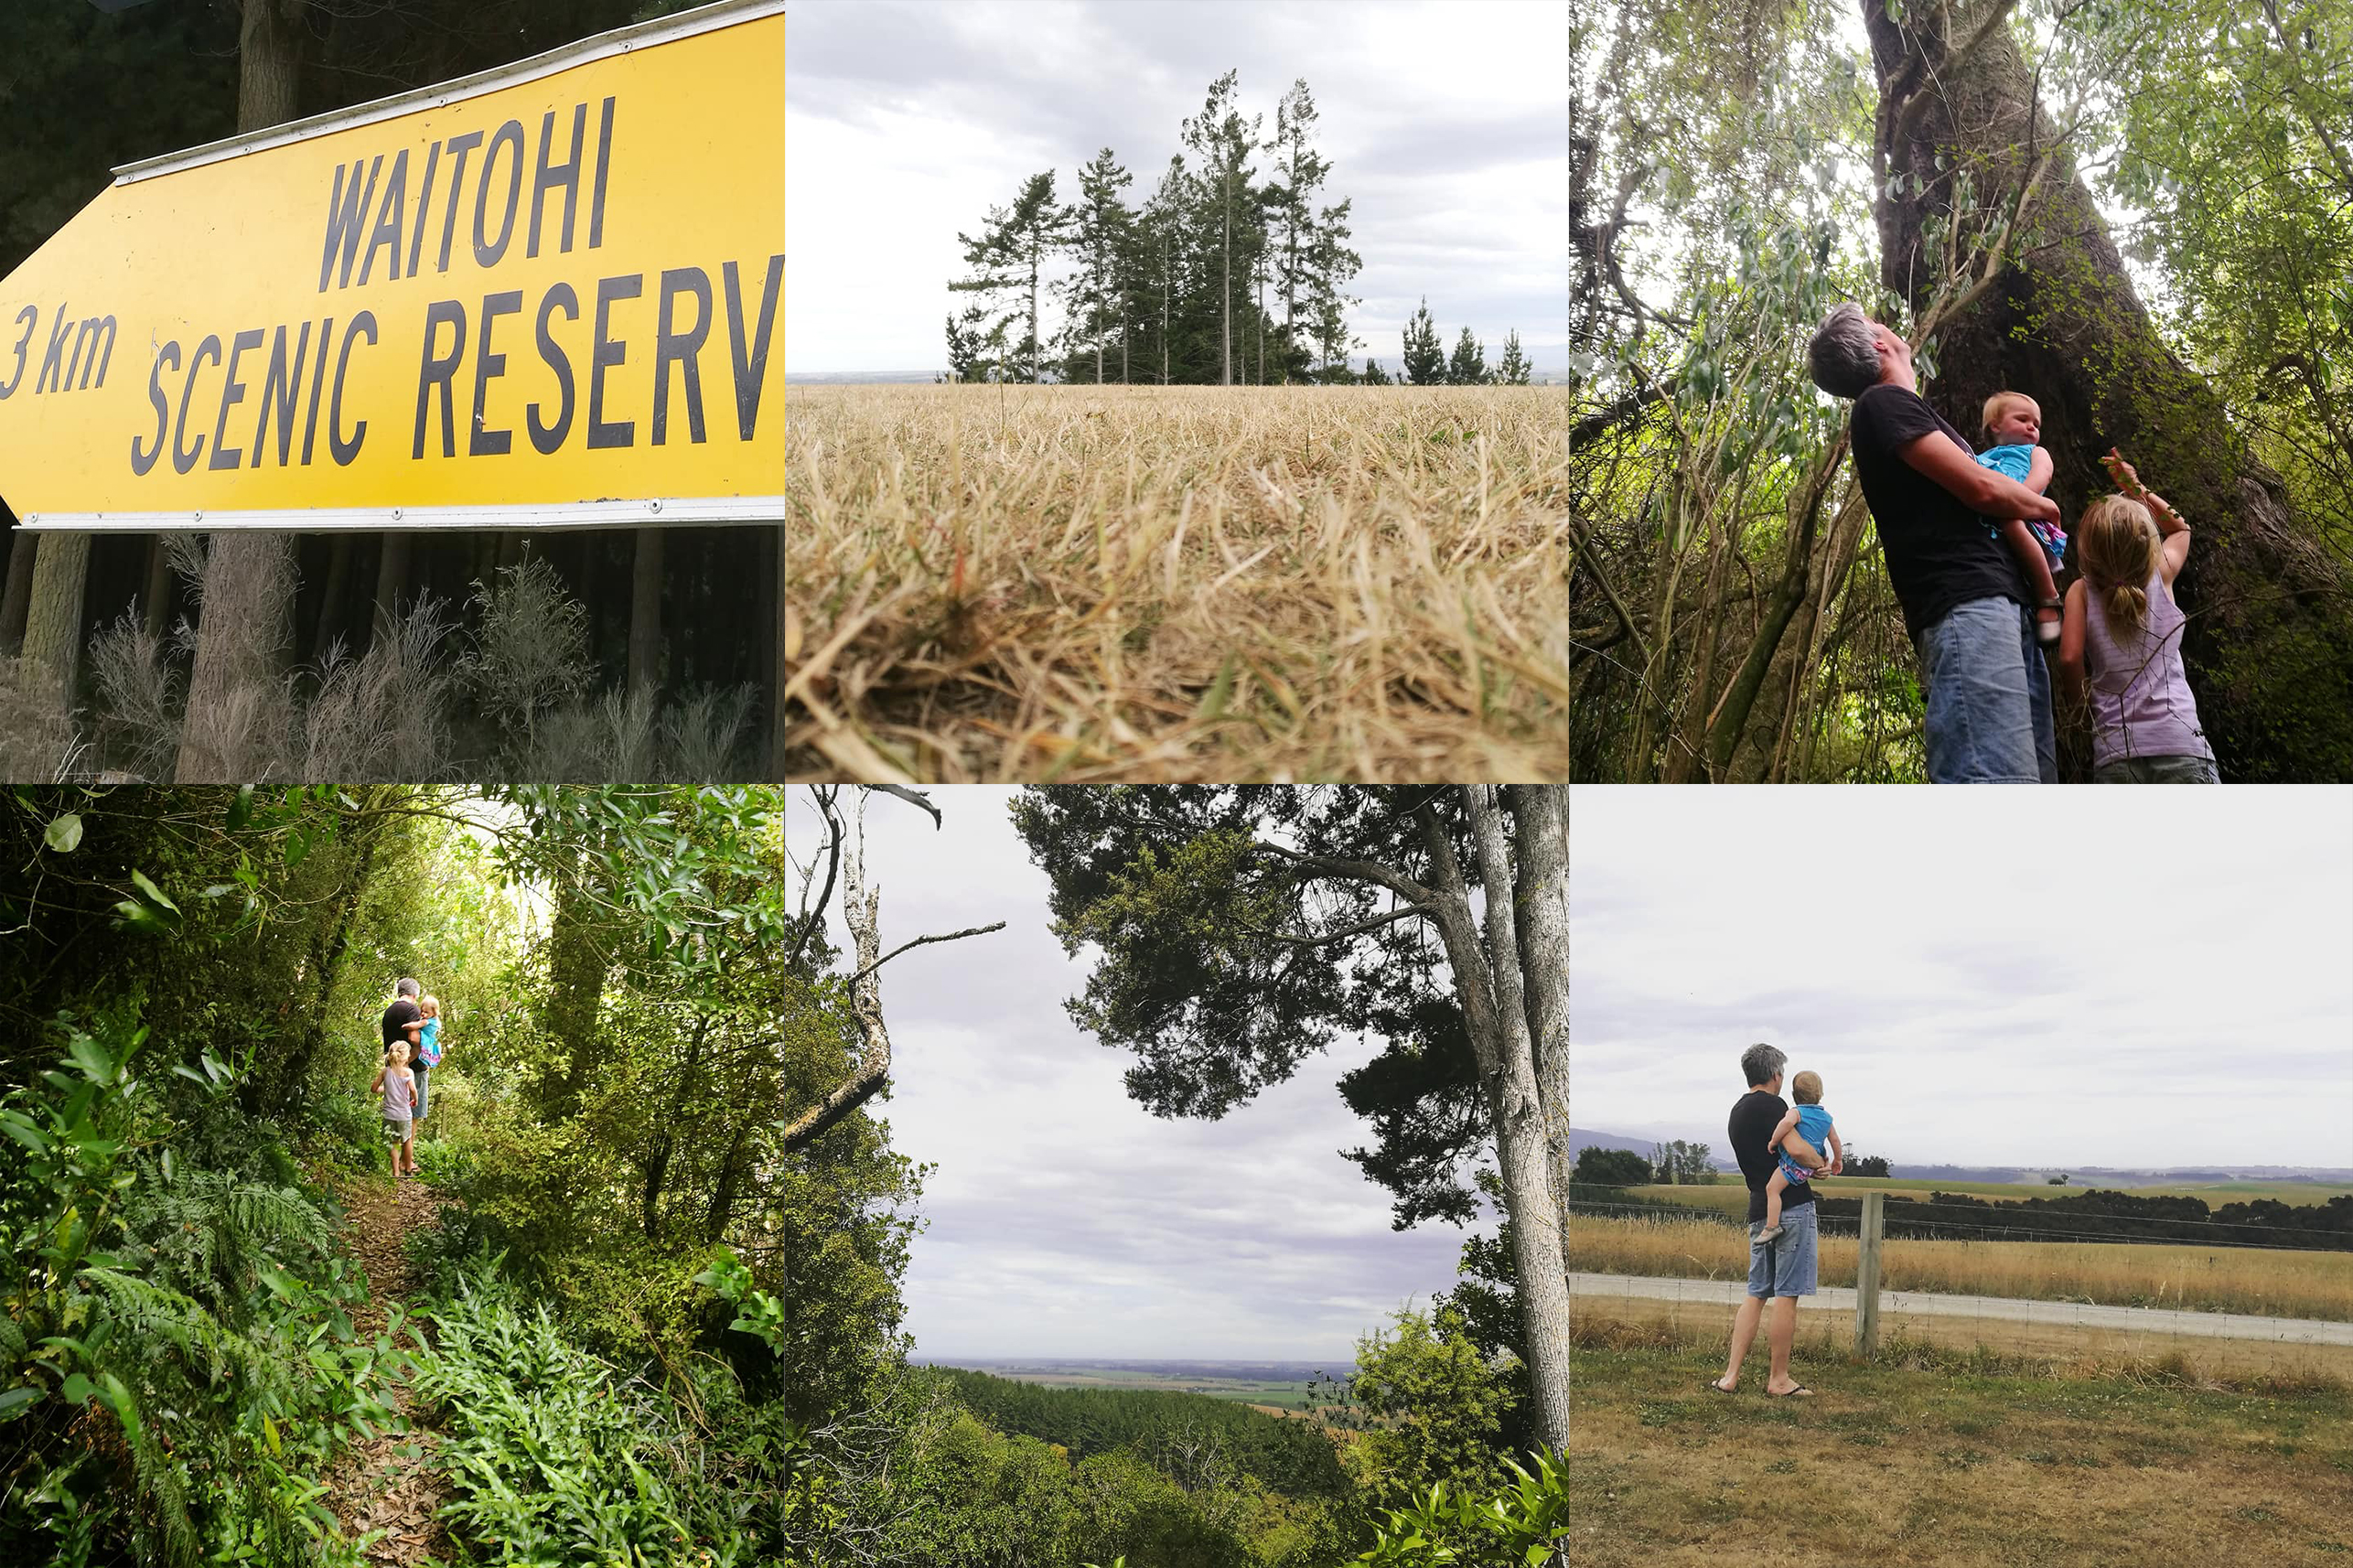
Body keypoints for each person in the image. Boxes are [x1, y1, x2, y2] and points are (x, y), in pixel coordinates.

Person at [1807, 303, 2065, 782]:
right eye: (1877, 324)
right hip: (1967, 608)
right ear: (1879, 343)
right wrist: (2042, 506)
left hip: (2001, 607)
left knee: (2031, 779)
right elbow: (1983, 489)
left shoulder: (1907, 410)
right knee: (1996, 778)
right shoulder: (1882, 404)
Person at [2057, 455, 2219, 782]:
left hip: (2116, 751)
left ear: (2087, 548)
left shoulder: (2081, 592)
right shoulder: (2161, 575)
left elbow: (2070, 657)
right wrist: (2136, 488)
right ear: (2147, 545)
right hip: (2181, 741)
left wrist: (2082, 713)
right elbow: (2181, 528)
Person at [1711, 1043, 1836, 1399]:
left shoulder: (1737, 1112)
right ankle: (1779, 1379)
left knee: (1756, 1293)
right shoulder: (1776, 1106)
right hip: (1793, 1209)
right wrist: (1820, 1165)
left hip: (1758, 1209)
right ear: (1776, 1074)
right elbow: (1797, 1149)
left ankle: (1731, 1376)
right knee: (1786, 1295)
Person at [1974, 392, 2067, 641]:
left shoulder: (2035, 452)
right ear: (1996, 425)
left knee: (2012, 523)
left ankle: (2049, 596)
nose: (2031, 427)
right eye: (2023, 419)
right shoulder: (1981, 459)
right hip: (1993, 518)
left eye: (2036, 424)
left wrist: (2017, 499)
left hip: (2023, 512)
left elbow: (2042, 475)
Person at [1757, 1070, 1842, 1243]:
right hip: (1813, 1165)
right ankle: (1772, 1225)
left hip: (1795, 1166)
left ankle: (1772, 1226)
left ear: (1794, 1095)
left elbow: (1786, 1124)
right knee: (1774, 1189)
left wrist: (1774, 1141)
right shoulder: (1826, 1117)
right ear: (1820, 1094)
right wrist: (1837, 1160)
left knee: (1772, 1189)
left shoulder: (1796, 1112)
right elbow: (1834, 1139)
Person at [372, 1040, 417, 1180]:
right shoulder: (408, 1072)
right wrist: (415, 1099)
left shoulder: (385, 1072)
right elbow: (412, 1090)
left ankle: (395, 1172)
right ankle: (408, 1170)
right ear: (405, 1056)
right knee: (407, 1140)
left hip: (388, 1114)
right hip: (404, 1114)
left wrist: (386, 1089)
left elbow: (373, 1089)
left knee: (393, 1142)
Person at [411, 995, 444, 1124]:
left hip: (426, 1040)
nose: (423, 1014)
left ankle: (405, 1062)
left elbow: (417, 1026)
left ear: (434, 1013)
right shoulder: (431, 1019)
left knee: (417, 1050)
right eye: (422, 1011)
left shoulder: (427, 1021)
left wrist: (407, 1026)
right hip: (427, 1040)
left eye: (426, 1012)